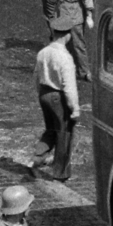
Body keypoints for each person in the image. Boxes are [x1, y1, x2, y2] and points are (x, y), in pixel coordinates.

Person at [31, 31, 79, 182]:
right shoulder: (65, 57)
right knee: (64, 133)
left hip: (44, 93)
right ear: (67, 35)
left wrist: (40, 93)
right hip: (58, 97)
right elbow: (69, 86)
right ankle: (61, 173)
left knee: (50, 129)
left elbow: (36, 76)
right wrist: (75, 108)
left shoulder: (43, 52)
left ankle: (35, 160)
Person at [40, 0, 94, 80]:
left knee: (78, 45)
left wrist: (89, 16)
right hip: (63, 18)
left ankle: (85, 72)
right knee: (65, 45)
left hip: (75, 19)